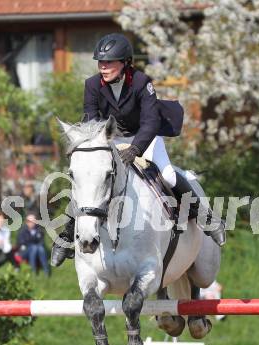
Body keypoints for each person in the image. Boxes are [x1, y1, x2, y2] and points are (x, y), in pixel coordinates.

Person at [51, 33, 226, 267]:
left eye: (109, 62)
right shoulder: (92, 85)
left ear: (125, 62)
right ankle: (66, 236)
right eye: (101, 63)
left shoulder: (142, 82)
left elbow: (151, 122)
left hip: (145, 137)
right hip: (109, 139)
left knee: (169, 176)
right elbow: (91, 122)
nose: (103, 67)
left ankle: (205, 217)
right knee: (91, 180)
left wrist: (135, 149)